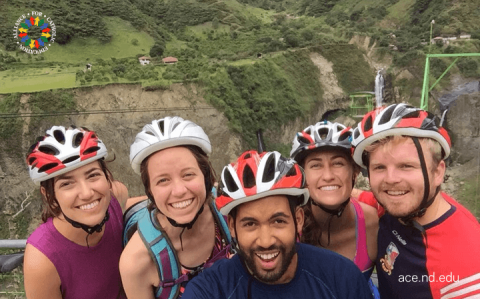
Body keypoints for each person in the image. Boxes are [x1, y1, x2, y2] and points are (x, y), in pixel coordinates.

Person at [182, 150, 373, 299]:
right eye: (250, 224)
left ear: (298, 220)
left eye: (278, 221)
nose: (265, 241)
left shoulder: (341, 278)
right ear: (232, 227)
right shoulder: (210, 290)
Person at [351, 103, 480, 299]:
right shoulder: (392, 204)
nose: (391, 179)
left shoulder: (465, 266)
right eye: (379, 168)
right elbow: (362, 195)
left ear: (438, 172)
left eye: (406, 166)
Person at [119, 116, 231, 299]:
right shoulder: (137, 262)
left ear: (206, 177)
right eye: (163, 180)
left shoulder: (229, 210)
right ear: (150, 191)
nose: (179, 191)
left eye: (188, 175)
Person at [24, 125, 128, 299]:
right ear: (49, 194)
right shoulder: (42, 260)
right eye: (67, 184)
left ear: (107, 176)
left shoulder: (116, 197)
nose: (87, 193)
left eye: (93, 175)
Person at [290, 120, 379, 297]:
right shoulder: (289, 228)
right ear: (303, 176)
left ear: (354, 172)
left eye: (338, 163)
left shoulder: (372, 223)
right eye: (316, 165)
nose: (328, 176)